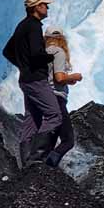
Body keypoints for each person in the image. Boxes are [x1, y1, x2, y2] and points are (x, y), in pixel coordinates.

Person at [3, 0, 63, 168]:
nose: (47, 7)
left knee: (32, 119)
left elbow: (7, 51)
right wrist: (50, 58)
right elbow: (37, 54)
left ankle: (25, 163)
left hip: (26, 79)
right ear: (36, 7)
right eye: (45, 5)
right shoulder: (34, 26)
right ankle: (37, 158)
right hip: (36, 79)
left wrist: (23, 65)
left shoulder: (22, 26)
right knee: (54, 114)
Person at [42, 28, 82, 167]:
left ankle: (41, 168)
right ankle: (49, 167)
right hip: (57, 99)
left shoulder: (43, 53)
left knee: (50, 138)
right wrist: (74, 77)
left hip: (44, 97)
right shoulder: (58, 52)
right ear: (61, 39)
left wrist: (67, 80)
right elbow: (59, 78)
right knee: (68, 140)